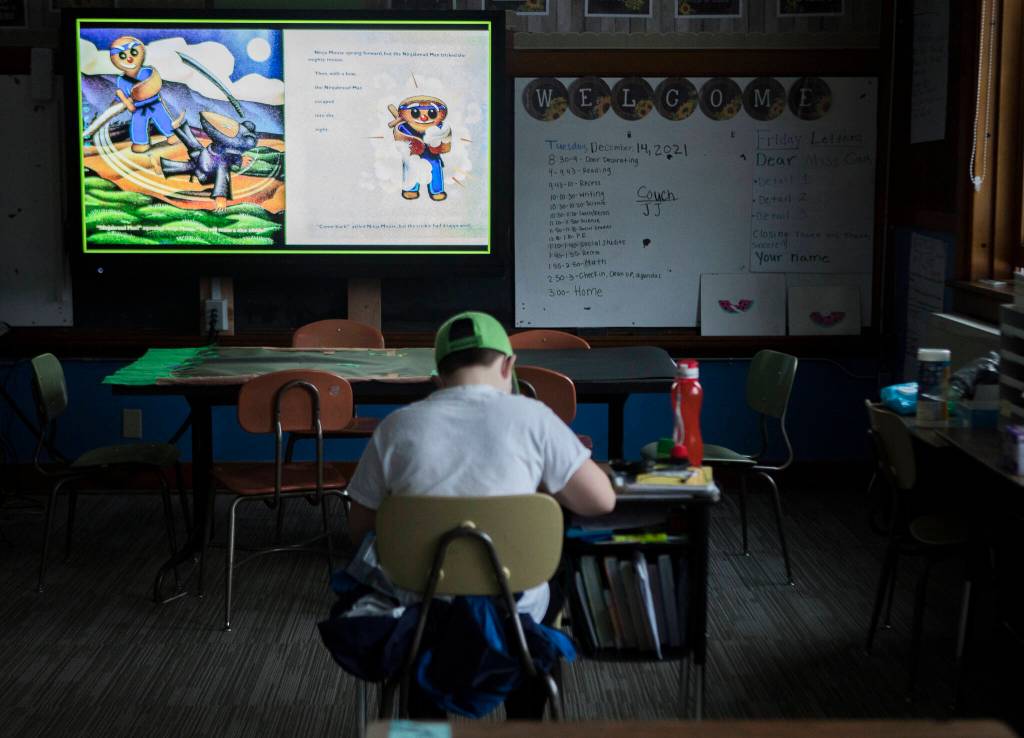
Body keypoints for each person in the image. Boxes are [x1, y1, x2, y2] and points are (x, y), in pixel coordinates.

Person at [343, 310, 615, 718]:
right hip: (517, 604)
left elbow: (360, 528)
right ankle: (526, 719)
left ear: (438, 375)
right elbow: (601, 502)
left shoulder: (397, 427)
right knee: (556, 579)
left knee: (417, 629)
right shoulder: (535, 419)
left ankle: (424, 726)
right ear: (509, 366)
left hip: (422, 604)